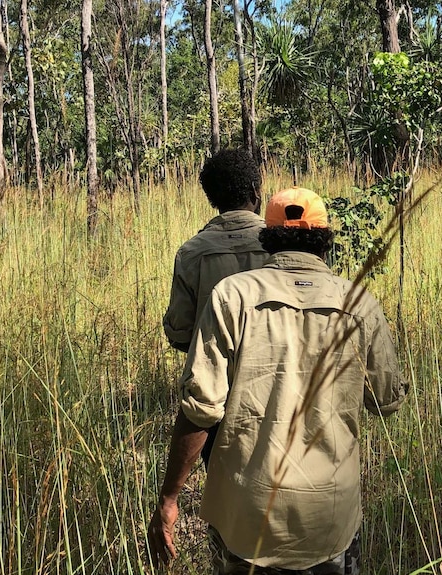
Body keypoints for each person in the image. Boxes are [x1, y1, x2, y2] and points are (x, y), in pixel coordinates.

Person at [148, 187, 407, 575]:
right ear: (325, 239)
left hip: (247, 514)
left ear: (266, 237)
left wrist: (169, 497)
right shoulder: (359, 303)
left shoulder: (232, 296)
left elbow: (201, 410)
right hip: (330, 515)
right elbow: (388, 400)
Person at [163, 148, 269, 466]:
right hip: (279, 392)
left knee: (223, 499)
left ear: (211, 198)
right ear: (255, 191)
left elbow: (180, 332)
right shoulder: (283, 245)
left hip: (218, 398)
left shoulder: (191, 253)